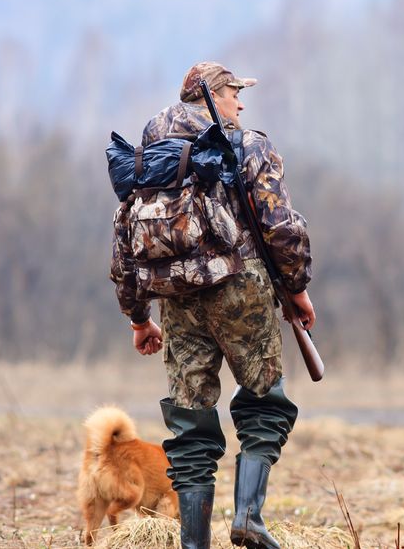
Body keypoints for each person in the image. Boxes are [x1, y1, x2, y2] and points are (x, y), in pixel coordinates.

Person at [110, 61, 316, 549]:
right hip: (241, 289)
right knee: (266, 404)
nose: (241, 103)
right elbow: (281, 226)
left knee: (191, 422)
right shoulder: (249, 146)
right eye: (233, 93)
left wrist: (138, 317)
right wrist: (298, 288)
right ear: (212, 98)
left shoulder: (149, 157)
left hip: (176, 301)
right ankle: (248, 518)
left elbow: (123, 242)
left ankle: (194, 543)